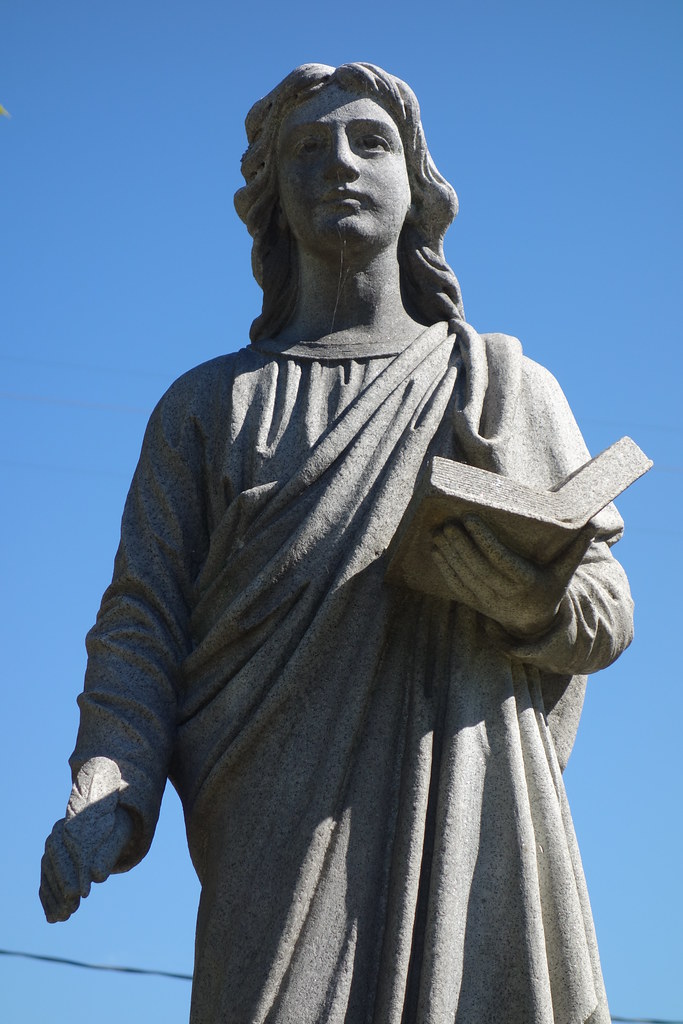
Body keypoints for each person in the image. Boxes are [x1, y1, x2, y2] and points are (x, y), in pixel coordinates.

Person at [41, 63, 634, 1024]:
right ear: (271, 196)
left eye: (370, 142)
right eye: (306, 150)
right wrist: (111, 778)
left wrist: (532, 602)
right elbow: (140, 624)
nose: (339, 165)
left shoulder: (501, 386)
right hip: (271, 833)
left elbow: (606, 610)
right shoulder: (206, 409)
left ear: (418, 182)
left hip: (473, 813)